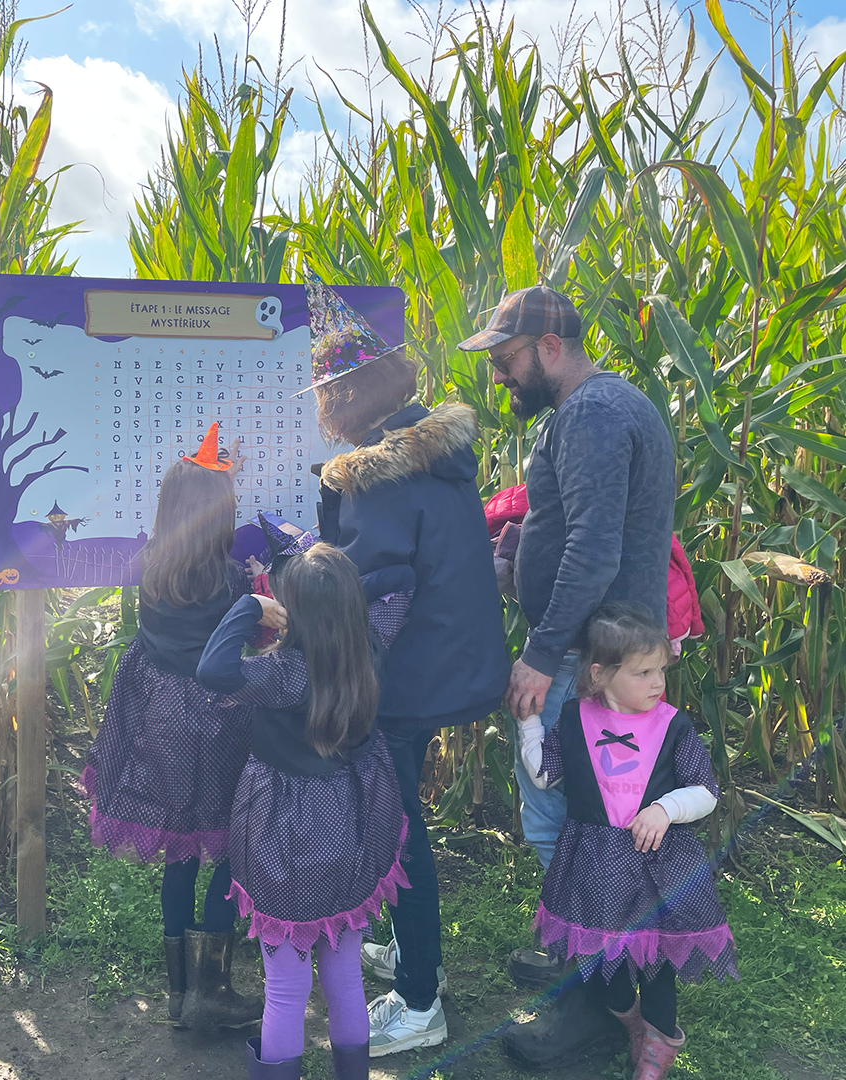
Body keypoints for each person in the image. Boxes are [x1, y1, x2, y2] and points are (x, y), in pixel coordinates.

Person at [457, 284, 675, 1064]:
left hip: (589, 669)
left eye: (506, 359)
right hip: (601, 660)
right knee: (586, 830)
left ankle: (594, 1011)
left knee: (575, 836)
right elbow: (580, 533)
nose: (499, 376)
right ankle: (583, 963)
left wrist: (543, 655)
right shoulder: (601, 412)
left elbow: (594, 551)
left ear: (550, 347)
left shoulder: (590, 415)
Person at [304, 276, 510, 1055]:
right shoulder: (434, 453)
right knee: (405, 815)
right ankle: (408, 950)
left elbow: (373, 589)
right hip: (449, 664)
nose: (322, 408)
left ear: (346, 399)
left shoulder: (375, 477)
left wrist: (304, 572)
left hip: (408, 677)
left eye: (327, 394)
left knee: (396, 827)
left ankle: (421, 1001)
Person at [196, 542, 416, 1079]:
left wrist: (249, 606)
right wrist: (338, 592)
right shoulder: (370, 645)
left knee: (287, 991)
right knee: (344, 979)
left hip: (284, 840)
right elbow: (402, 574)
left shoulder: (285, 674)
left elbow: (212, 670)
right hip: (353, 833)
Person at [81, 423, 272, 1030]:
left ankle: (178, 994)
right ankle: (212, 993)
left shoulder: (150, 569)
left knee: (179, 856)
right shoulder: (233, 580)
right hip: (220, 727)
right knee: (230, 845)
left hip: (161, 723)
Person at [514, 603, 737, 1078]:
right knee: (603, 962)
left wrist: (664, 809)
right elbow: (544, 773)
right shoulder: (575, 719)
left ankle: (659, 1042)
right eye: (643, 673)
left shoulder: (672, 725)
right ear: (600, 675)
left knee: (655, 961)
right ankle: (628, 1020)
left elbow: (705, 791)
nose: (658, 683)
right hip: (592, 866)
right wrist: (529, 724)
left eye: (660, 670)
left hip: (654, 864)